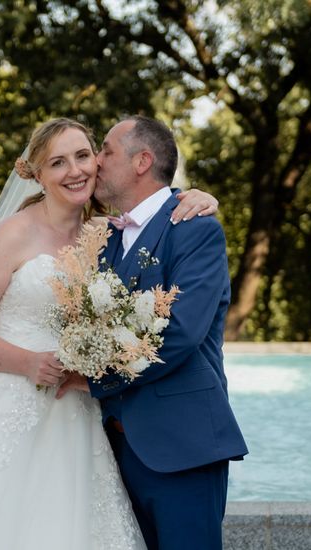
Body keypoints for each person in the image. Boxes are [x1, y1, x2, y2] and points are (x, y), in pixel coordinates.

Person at [0, 117, 220, 549]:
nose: (79, 169)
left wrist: (196, 196)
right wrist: (27, 362)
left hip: (77, 413)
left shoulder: (105, 236)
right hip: (8, 406)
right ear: (38, 174)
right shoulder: (12, 234)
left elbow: (155, 234)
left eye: (86, 155)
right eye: (58, 163)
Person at [58, 116, 249, 550]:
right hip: (109, 451)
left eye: (105, 150)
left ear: (142, 161)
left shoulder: (196, 227)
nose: (95, 163)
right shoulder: (102, 237)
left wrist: (93, 379)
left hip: (181, 448)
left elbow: (180, 333)